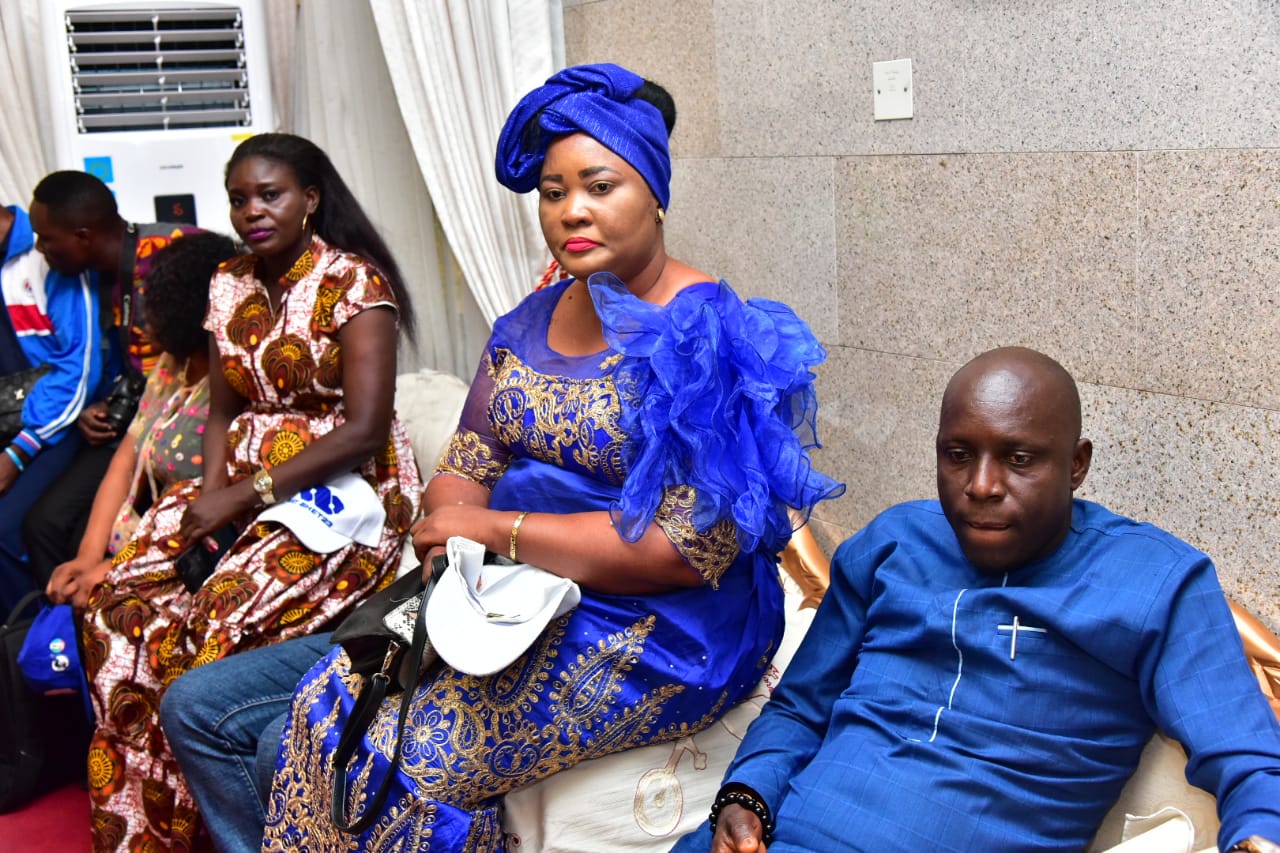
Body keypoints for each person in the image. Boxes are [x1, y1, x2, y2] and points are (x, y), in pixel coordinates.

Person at [253, 62, 842, 852]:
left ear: (655, 193)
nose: (574, 212)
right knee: (326, 703)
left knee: (419, 756)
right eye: (554, 193)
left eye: (600, 186)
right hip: (518, 592)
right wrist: (457, 532)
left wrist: (497, 529)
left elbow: (682, 548)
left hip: (665, 623)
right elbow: (468, 458)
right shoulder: (526, 323)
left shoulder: (705, 334)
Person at [674, 346, 1280, 853]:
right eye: (958, 456)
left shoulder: (1155, 582)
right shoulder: (895, 543)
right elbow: (801, 709)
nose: (981, 487)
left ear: (1076, 465)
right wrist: (745, 796)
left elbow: (1254, 766)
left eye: (1019, 459)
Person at [82, 132, 423, 852]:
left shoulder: (354, 283)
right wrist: (208, 508)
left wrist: (244, 499)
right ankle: (155, 832)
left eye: (270, 194)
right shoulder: (228, 282)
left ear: (310, 198)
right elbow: (224, 410)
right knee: (115, 604)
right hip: (237, 487)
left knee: (214, 619)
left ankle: (252, 831)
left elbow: (362, 429)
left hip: (345, 497)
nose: (252, 210)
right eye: (240, 198)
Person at [23, 171, 199, 591]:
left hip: (185, 416)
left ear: (82, 235)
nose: (39, 249)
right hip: (134, 418)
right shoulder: (81, 280)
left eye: (46, 239)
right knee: (43, 524)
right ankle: (61, 640)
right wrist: (94, 407)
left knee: (69, 525)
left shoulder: (172, 252)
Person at [44, 232, 237, 610]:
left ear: (189, 312)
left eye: (155, 310)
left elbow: (200, 524)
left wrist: (112, 570)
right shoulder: (170, 367)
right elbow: (127, 457)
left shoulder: (231, 389)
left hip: (188, 563)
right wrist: (88, 557)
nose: (143, 323)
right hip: (136, 545)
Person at [0, 202, 102, 614]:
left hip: (52, 425)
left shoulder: (48, 254)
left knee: (5, 531)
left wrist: (16, 452)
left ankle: (33, 652)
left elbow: (78, 369)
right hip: (14, 420)